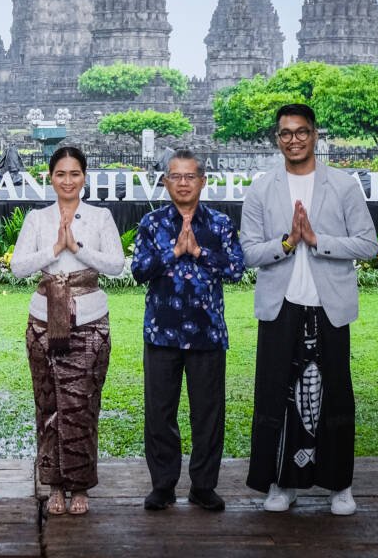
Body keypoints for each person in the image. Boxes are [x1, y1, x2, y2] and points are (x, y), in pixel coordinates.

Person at [241, 103, 378, 516]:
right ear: (277, 139)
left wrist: (319, 240)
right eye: (285, 133)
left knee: (335, 394)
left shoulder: (343, 186)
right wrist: (286, 244)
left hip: (328, 306)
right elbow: (248, 252)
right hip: (281, 307)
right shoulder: (262, 188)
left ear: (315, 135)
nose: (294, 139)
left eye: (301, 131)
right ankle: (282, 484)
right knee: (274, 394)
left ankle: (340, 485)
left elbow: (368, 244)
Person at [10, 146, 125, 516]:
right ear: (50, 177)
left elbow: (117, 264)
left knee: (82, 404)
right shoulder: (37, 219)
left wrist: (77, 247)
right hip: (43, 320)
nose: (68, 181)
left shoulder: (100, 216)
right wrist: (55, 248)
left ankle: (80, 486)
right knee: (49, 405)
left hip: (89, 320)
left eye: (75, 174)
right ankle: (55, 484)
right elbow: (19, 268)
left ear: (84, 178)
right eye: (61, 174)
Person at [132, 149, 245, 513]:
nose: (183, 183)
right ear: (165, 182)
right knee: (160, 413)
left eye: (190, 176)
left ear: (203, 181)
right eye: (175, 177)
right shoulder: (151, 223)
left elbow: (236, 269)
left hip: (206, 333)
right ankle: (163, 486)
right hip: (162, 332)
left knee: (207, 414)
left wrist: (197, 253)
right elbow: (138, 270)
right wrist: (173, 252)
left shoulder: (219, 224)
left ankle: (203, 486)